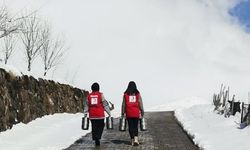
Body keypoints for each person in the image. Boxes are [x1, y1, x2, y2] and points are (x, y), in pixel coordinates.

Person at [83, 82, 111, 146]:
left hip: (92, 115)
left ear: (92, 88)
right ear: (98, 88)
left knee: (94, 127)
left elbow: (86, 105)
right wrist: (108, 112)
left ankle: (95, 138)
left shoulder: (89, 96)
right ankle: (98, 137)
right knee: (101, 126)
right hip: (100, 115)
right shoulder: (100, 95)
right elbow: (105, 104)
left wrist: (85, 112)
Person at [121, 81, 144, 146]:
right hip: (136, 113)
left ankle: (132, 140)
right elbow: (140, 103)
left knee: (130, 127)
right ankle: (136, 139)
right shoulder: (137, 94)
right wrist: (142, 111)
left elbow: (123, 104)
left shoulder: (125, 94)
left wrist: (123, 112)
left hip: (129, 113)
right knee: (135, 126)